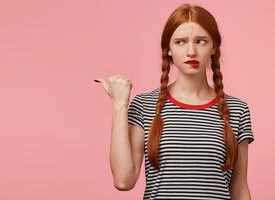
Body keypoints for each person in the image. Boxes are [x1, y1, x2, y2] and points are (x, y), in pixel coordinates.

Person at [95, 3, 254, 200]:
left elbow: (239, 190)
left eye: (201, 41)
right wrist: (119, 105)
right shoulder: (145, 105)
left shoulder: (237, 110)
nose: (191, 51)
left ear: (214, 47)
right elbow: (123, 180)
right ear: (168, 49)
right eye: (180, 42)